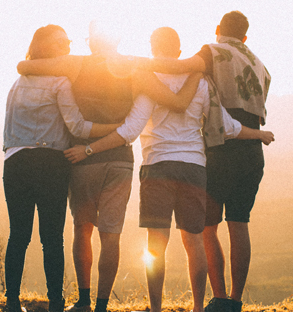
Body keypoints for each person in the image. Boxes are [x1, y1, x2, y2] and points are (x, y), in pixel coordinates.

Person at [64, 26, 273, 312]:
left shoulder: (150, 81)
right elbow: (227, 126)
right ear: (178, 50)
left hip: (158, 167)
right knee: (194, 241)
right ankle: (198, 307)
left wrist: (90, 148)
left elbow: (131, 130)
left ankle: (156, 308)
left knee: (156, 246)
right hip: (194, 168)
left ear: (153, 49)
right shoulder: (200, 81)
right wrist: (258, 134)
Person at [16, 21, 202, 312]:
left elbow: (25, 67)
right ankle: (102, 305)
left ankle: (83, 302)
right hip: (119, 161)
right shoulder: (136, 70)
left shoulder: (75, 65)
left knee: (82, 229)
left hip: (82, 159)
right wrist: (197, 67)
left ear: (91, 42)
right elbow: (176, 102)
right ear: (117, 41)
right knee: (111, 235)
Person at [135, 11, 273, 312]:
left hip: (220, 146)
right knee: (240, 224)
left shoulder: (213, 52)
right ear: (245, 36)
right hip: (251, 148)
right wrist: (259, 135)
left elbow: (180, 67)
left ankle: (219, 298)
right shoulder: (261, 66)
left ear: (218, 29)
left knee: (205, 229)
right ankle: (234, 301)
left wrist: (135, 64)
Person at [2, 24, 123, 312]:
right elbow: (78, 126)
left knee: (18, 234)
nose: (67, 46)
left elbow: (8, 130)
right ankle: (56, 302)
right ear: (44, 47)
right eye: (61, 43)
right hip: (50, 163)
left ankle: (11, 302)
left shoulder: (16, 83)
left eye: (68, 41)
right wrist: (118, 128)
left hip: (15, 162)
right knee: (51, 238)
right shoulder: (60, 83)